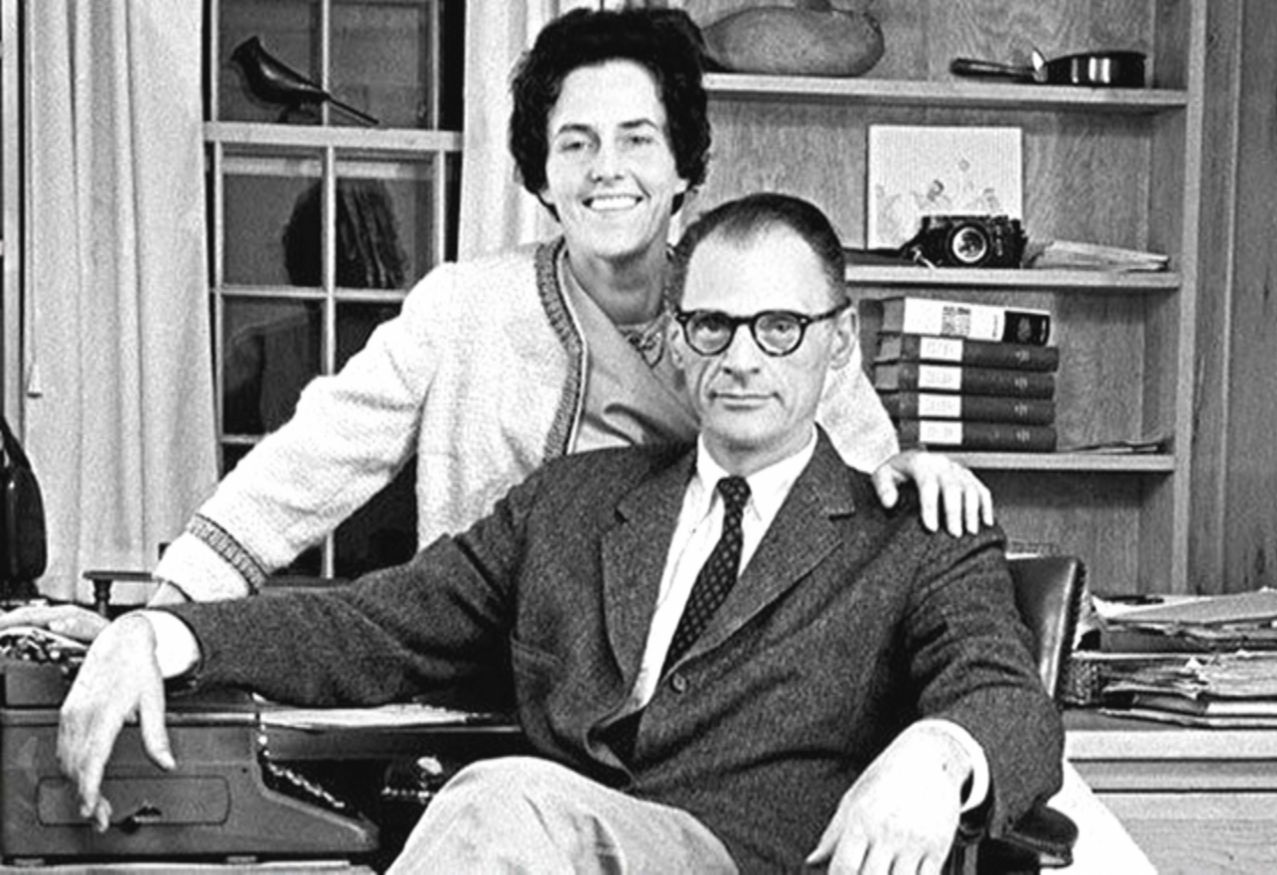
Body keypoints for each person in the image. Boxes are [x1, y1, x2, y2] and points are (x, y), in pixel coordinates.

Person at [58, 193, 1062, 873]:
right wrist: (167, 631)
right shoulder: (572, 503)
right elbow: (378, 625)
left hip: (739, 857)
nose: (742, 358)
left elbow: (1009, 700)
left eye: (779, 327)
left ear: (836, 342)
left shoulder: (914, 531)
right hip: (549, 849)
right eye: (712, 325)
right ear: (675, 340)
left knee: (499, 800)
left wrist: (938, 753)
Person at [4, 7, 989, 637]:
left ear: (684, 166)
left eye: (637, 139)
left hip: (705, 696)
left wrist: (911, 475)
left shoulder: (755, 312)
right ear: (541, 174)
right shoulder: (464, 307)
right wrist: (167, 611)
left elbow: (859, 480)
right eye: (575, 143)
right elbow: (309, 461)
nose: (607, 169)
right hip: (495, 681)